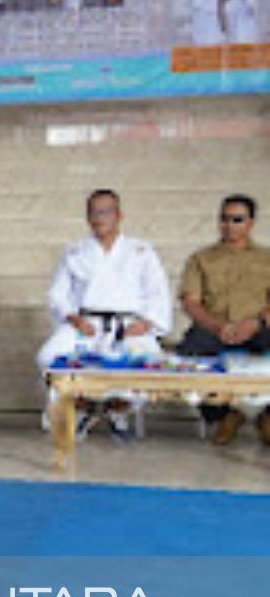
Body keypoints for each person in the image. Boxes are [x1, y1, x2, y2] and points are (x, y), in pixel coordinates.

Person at [36, 190, 172, 438]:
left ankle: (118, 409)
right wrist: (73, 317)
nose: (99, 218)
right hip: (86, 324)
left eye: (105, 212)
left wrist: (147, 323)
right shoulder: (74, 252)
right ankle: (83, 407)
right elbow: (58, 294)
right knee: (49, 356)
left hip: (129, 324)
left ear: (119, 215)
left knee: (150, 361)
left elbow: (158, 292)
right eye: (93, 213)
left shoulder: (141, 251)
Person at [178, 195, 270, 445]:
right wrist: (217, 326)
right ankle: (223, 415)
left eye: (237, 219)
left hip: (258, 327)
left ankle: (268, 417)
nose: (229, 225)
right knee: (189, 351)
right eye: (224, 219)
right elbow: (191, 301)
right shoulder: (201, 258)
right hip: (215, 327)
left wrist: (256, 323)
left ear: (250, 223)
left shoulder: (267, 258)